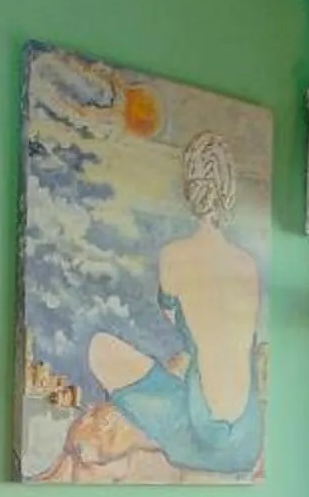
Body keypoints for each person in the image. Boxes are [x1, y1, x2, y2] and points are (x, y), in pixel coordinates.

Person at [85, 131, 264, 476]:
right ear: (229, 192)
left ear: (190, 186)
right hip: (247, 438)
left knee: (100, 347)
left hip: (203, 433)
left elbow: (174, 318)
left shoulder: (174, 257)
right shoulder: (248, 265)